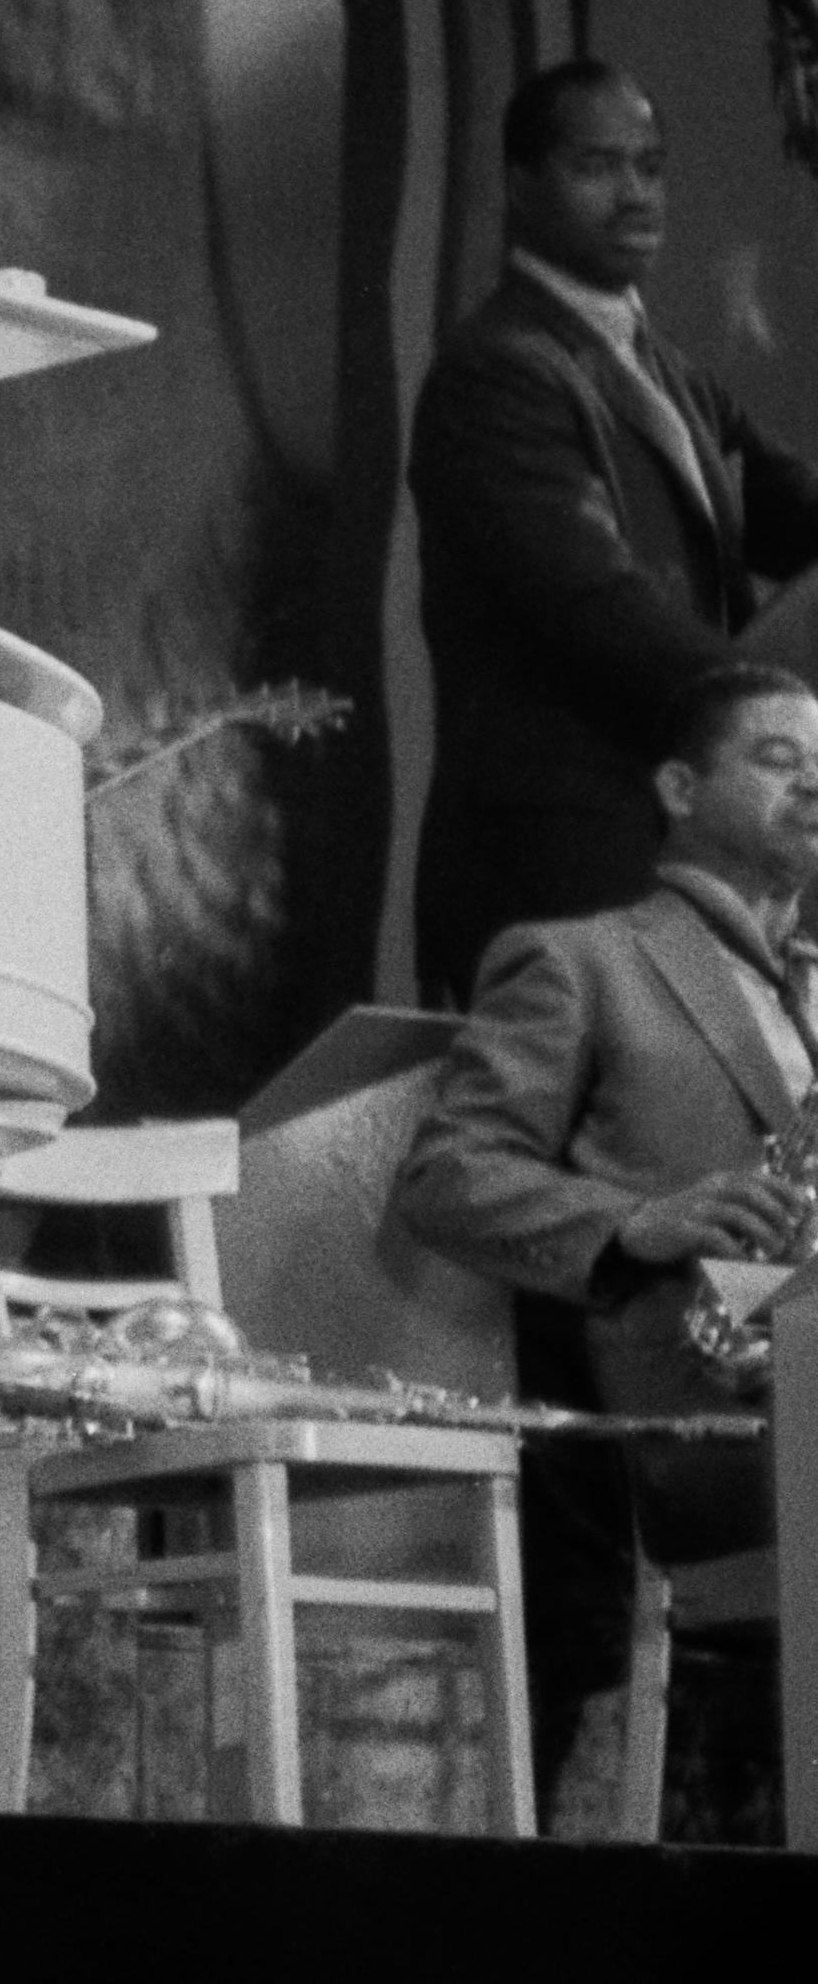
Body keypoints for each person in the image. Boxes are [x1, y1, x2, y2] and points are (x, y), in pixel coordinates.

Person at [397, 659, 812, 1811]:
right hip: (692, 1427)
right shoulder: (580, 959)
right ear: (678, 785)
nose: (814, 786)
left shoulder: (809, 992)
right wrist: (637, 1219)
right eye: (778, 760)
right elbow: (446, 1177)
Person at [409, 58, 818, 1006]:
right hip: (561, 876)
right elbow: (596, 611)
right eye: (601, 166)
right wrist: (772, 723)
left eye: (651, 166)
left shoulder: (663, 370)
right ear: (521, 185)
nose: (637, 194)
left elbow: (788, 508)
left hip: (675, 862)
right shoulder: (496, 376)